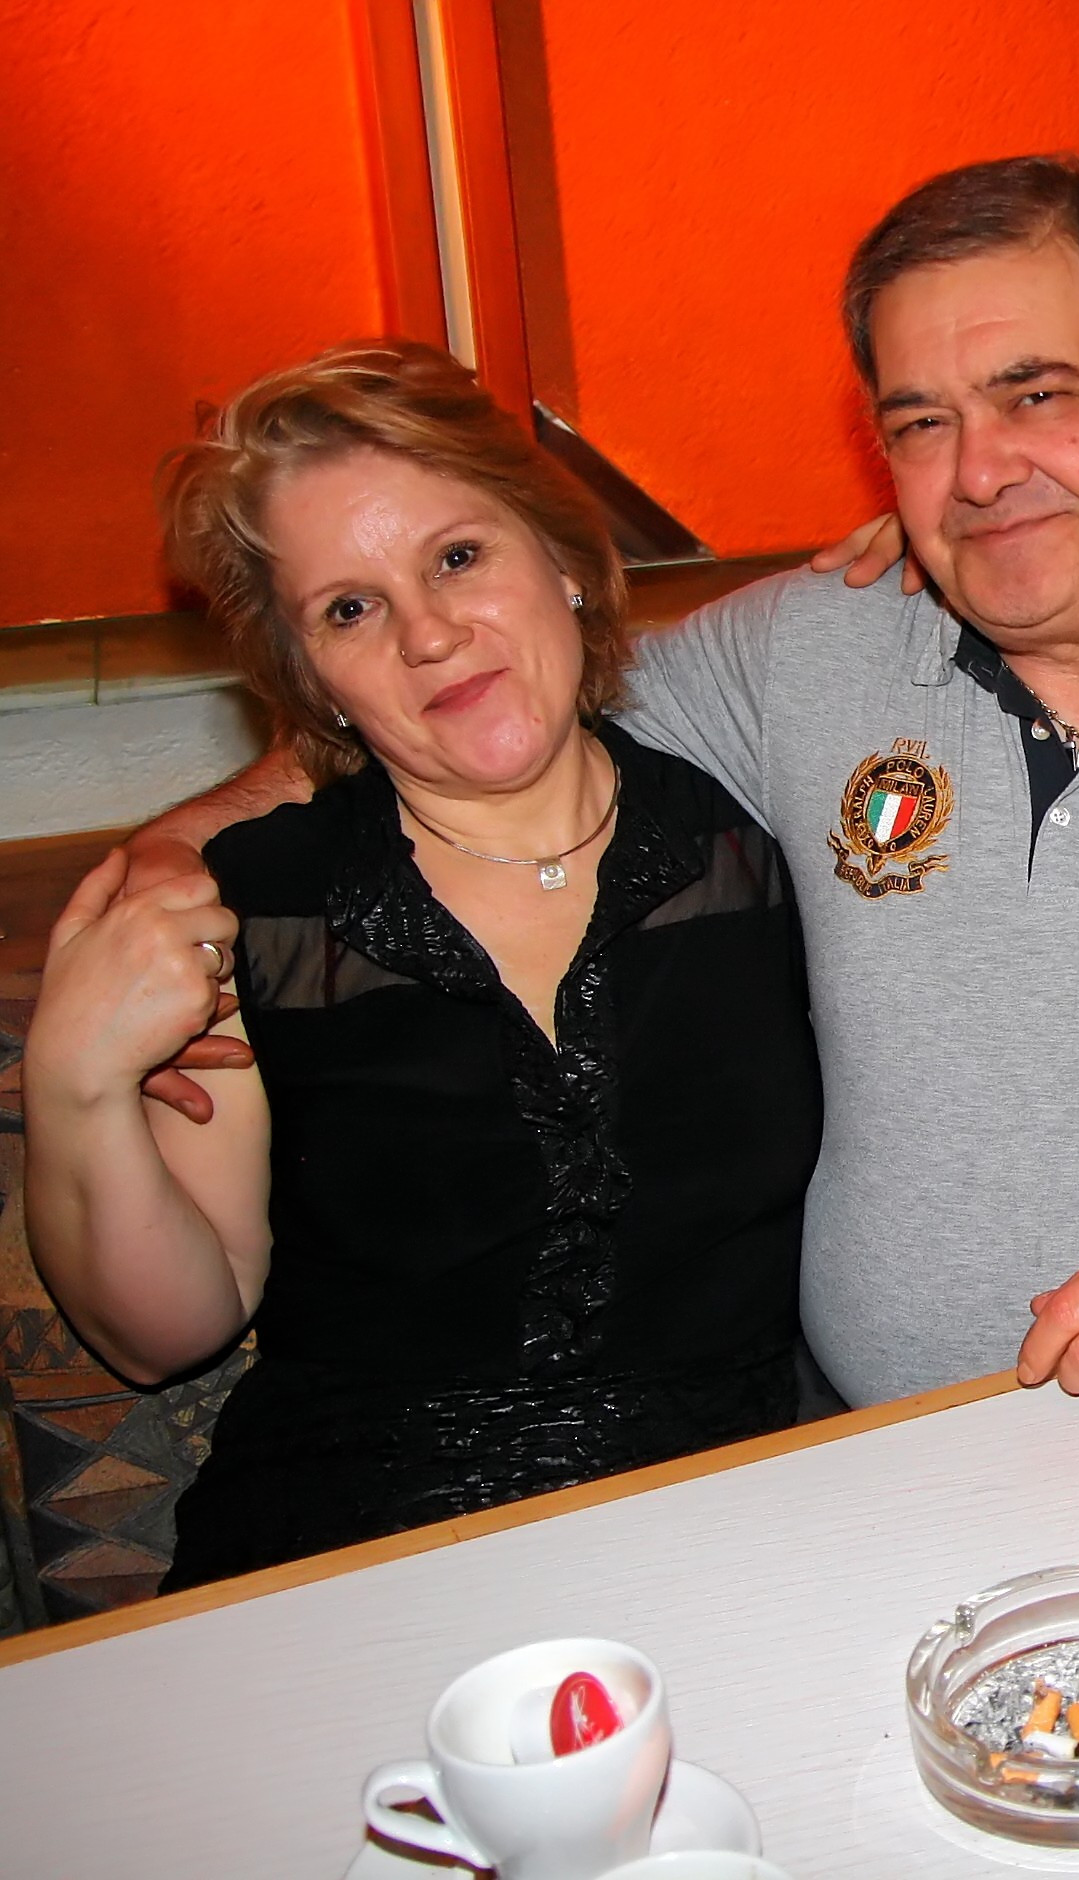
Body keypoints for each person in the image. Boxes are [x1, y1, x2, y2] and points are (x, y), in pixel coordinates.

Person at [130, 156, 1079, 1423]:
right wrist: (170, 864)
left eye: (1035, 394)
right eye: (921, 425)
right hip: (852, 1469)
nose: (980, 472)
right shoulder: (807, 656)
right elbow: (470, 689)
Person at [24, 343, 823, 1585]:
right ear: (312, 679)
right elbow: (163, 1330)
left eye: (457, 557)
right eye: (349, 609)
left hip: (722, 1533)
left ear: (562, 560)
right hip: (353, 1549)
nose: (431, 634)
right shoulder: (259, 908)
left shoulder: (762, 845)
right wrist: (73, 1080)